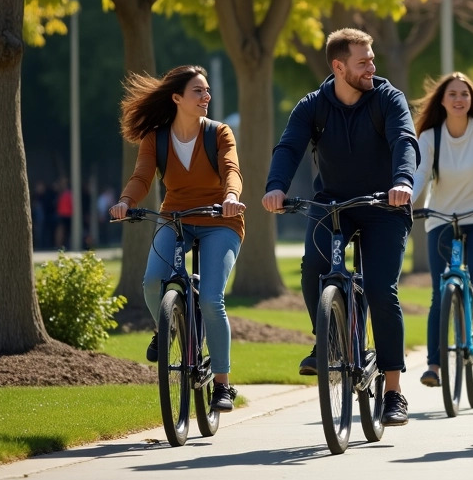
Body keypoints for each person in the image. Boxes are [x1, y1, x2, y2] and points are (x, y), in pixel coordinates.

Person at [262, 28, 417, 427]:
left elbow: (404, 139)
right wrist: (275, 187)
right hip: (332, 205)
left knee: (382, 289)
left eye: (372, 59)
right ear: (338, 66)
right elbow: (289, 147)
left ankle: (394, 390)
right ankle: (328, 342)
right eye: (363, 61)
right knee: (314, 268)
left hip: (385, 204)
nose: (372, 67)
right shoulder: (313, 106)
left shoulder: (388, 98)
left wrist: (402, 181)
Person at [109, 65, 245, 412]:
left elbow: (231, 168)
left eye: (207, 91)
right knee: (153, 281)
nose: (206, 97)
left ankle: (222, 384)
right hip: (176, 218)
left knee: (212, 300)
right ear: (177, 98)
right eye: (198, 91)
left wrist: (230, 197)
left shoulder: (219, 133)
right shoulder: (157, 138)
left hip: (220, 220)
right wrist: (126, 201)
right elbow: (142, 177)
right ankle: (167, 327)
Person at [410, 72, 473, 388]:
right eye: (452, 94)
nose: (459, 99)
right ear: (442, 100)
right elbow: (419, 175)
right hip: (440, 217)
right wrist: (406, 203)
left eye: (465, 94)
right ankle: (434, 366)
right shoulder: (430, 137)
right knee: (439, 292)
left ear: (472, 100)